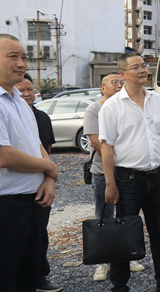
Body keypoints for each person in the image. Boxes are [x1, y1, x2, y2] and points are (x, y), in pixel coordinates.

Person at [98, 52, 160, 292]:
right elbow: (106, 147)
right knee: (124, 233)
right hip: (128, 180)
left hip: (157, 176)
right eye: (136, 67)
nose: (142, 70)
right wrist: (110, 183)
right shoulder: (112, 107)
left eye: (144, 66)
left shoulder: (156, 100)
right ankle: (119, 284)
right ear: (123, 74)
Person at [0, 34, 58, 292]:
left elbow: (37, 146)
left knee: (28, 278)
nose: (21, 63)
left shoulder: (20, 103)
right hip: (6, 206)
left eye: (24, 57)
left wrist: (49, 179)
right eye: (13, 56)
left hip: (32, 203)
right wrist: (48, 168)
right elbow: (4, 156)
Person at [83, 73, 145, 282]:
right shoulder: (95, 109)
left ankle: (128, 256)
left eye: (121, 82)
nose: (119, 85)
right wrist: (118, 163)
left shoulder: (128, 105)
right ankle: (102, 262)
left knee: (127, 217)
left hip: (128, 174)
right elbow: (95, 142)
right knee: (104, 216)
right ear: (102, 88)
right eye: (114, 83)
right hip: (103, 172)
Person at [14, 73, 62, 292]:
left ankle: (40, 276)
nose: (26, 94)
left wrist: (48, 177)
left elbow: (47, 151)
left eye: (30, 90)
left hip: (41, 185)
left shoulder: (42, 117)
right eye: (21, 90)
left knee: (40, 234)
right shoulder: (11, 112)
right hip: (16, 189)